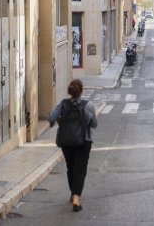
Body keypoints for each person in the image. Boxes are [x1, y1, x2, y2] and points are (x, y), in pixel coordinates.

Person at [48, 79, 97, 212]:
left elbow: (51, 118)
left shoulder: (63, 104)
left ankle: (73, 193)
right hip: (83, 141)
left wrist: (60, 121)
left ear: (70, 91)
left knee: (71, 167)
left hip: (66, 142)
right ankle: (76, 198)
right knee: (80, 170)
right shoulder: (88, 105)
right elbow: (94, 124)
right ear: (81, 91)